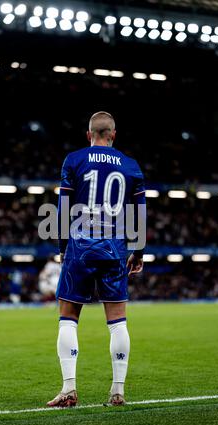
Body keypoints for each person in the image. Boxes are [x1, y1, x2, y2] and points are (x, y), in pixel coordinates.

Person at [47, 111, 146, 407]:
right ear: (113, 134)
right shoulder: (131, 166)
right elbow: (139, 215)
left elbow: (63, 208)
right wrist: (138, 251)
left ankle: (69, 389)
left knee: (68, 319)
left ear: (89, 134)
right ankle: (117, 391)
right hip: (115, 250)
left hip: (80, 248)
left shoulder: (74, 160)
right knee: (118, 323)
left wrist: (64, 248)